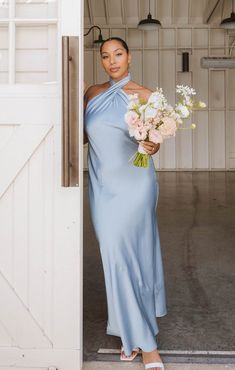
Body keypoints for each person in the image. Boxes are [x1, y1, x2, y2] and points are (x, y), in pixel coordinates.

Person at [83, 36, 167, 370]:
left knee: (134, 256)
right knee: (114, 256)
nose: (112, 60)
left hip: (136, 185)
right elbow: (82, 137)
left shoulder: (146, 96)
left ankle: (146, 345)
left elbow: (155, 143)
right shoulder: (91, 94)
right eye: (106, 56)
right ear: (101, 61)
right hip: (103, 187)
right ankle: (127, 330)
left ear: (129, 57)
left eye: (118, 54)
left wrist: (151, 146)